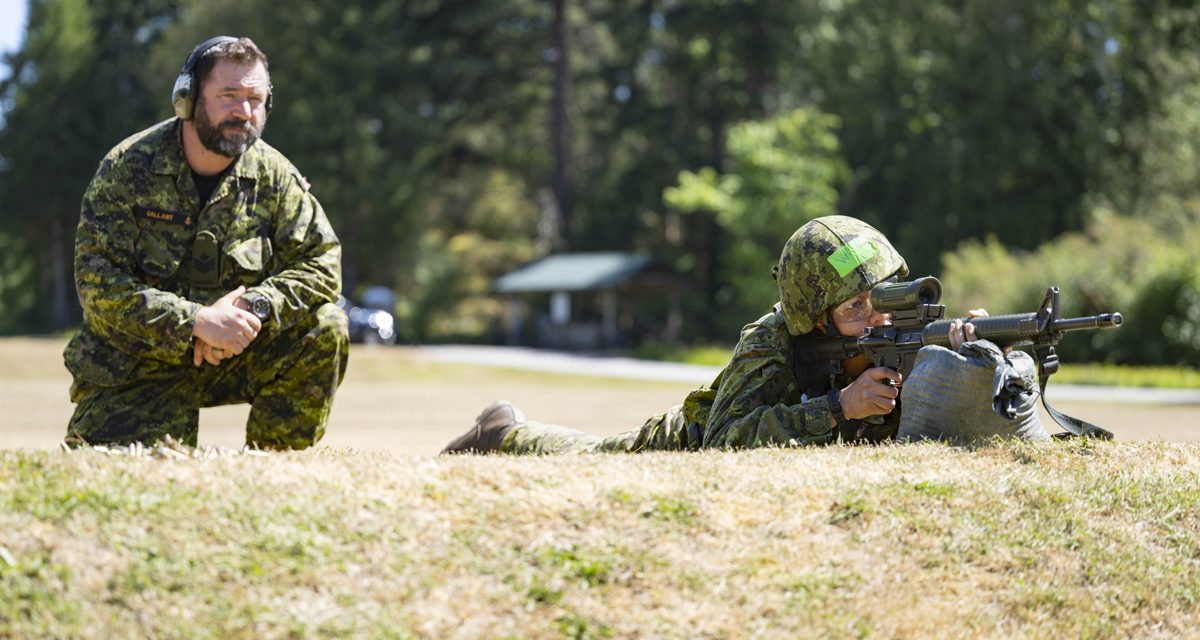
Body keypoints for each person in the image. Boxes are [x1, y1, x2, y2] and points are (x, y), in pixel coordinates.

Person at [442, 215, 988, 455]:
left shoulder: (904, 336)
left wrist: (973, 361)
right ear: (816, 320)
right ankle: (503, 429)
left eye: (882, 298)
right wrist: (838, 407)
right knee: (587, 454)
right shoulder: (770, 341)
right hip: (681, 440)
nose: (877, 319)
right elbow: (724, 441)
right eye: (854, 307)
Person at [63, 36, 348, 450]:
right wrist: (197, 322)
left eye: (255, 99)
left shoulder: (274, 176)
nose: (244, 111)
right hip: (139, 363)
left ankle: (275, 462)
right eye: (228, 96)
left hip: (234, 354)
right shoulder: (127, 169)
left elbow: (322, 262)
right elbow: (97, 284)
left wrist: (252, 308)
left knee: (326, 325)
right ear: (188, 98)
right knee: (128, 473)